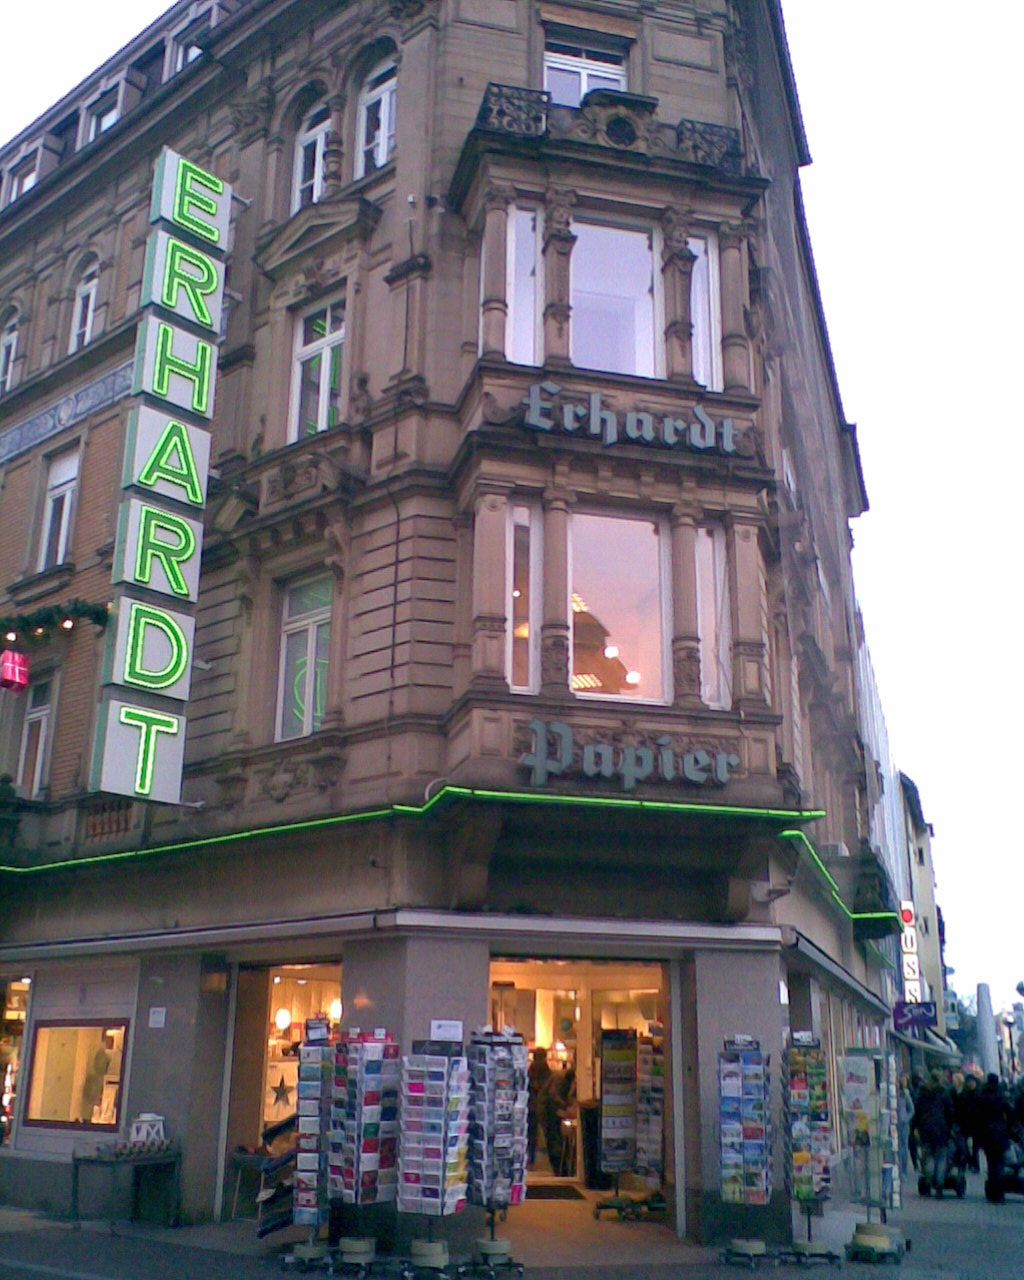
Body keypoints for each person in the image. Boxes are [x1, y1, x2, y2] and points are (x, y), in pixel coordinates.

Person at [912, 1069, 953, 1196]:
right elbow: (950, 1112)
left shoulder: (922, 1093)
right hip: (941, 1130)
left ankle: (928, 1179)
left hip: (926, 1129)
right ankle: (939, 1185)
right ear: (940, 1079)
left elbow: (917, 1112)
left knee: (928, 1156)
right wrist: (949, 1128)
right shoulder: (944, 1093)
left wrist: (915, 1127)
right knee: (941, 1158)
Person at [977, 1073, 1012, 1202]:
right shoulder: (1001, 1096)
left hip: (987, 1134)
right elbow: (1010, 1113)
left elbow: (978, 1116)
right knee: (1000, 1164)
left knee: (991, 1163)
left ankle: (991, 1191)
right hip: (1000, 1133)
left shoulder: (982, 1096)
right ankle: (999, 1193)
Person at [527, 1047, 552, 1168]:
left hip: (531, 1104)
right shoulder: (544, 1068)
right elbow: (544, 1086)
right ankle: (546, 1157)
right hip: (540, 1104)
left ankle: (530, 1158)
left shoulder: (531, 1068)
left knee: (531, 1133)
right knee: (545, 1132)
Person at [953, 1073, 981, 1172]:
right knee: (964, 1146)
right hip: (965, 1124)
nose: (971, 1084)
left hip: (976, 1124)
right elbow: (958, 1109)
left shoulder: (979, 1094)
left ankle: (976, 1165)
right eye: (969, 1082)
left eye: (972, 1082)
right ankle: (970, 1161)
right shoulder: (963, 1095)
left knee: (975, 1147)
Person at [896, 1075, 915, 1177]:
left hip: (903, 1125)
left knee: (903, 1147)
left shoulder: (905, 1095)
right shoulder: (892, 1097)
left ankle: (903, 1171)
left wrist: (905, 1119)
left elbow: (911, 1109)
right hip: (894, 1124)